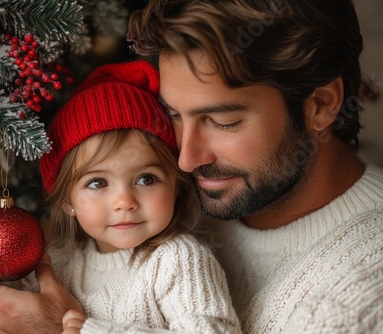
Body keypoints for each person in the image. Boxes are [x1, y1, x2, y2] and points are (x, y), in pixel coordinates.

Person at [125, 0, 383, 333]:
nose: (185, 159)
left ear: (322, 105)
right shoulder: (158, 208)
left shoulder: (361, 300)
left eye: (223, 121)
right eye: (174, 115)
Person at [0, 60, 241, 333]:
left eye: (146, 179)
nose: (124, 201)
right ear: (67, 200)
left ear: (176, 187)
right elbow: (6, 310)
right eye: (98, 183)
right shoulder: (61, 265)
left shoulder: (178, 260)